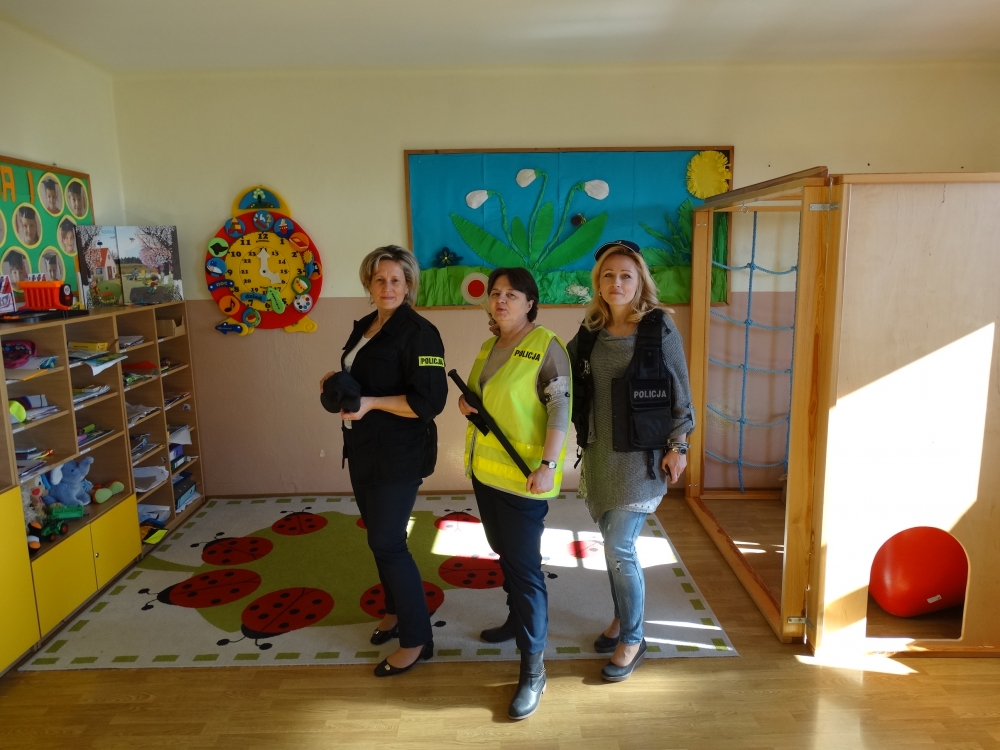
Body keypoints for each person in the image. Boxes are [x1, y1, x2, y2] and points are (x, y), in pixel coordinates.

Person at [567, 240, 695, 682]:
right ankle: (623, 617)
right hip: (600, 454)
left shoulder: (659, 328)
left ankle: (633, 639)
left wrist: (679, 447)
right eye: (608, 275)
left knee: (620, 547)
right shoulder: (590, 331)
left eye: (626, 275)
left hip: (642, 458)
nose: (616, 283)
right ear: (597, 283)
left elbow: (681, 394)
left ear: (640, 281)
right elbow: (560, 373)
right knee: (611, 545)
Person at [319, 245, 447, 677]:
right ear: (368, 284)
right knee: (378, 538)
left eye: (396, 280)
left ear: (409, 285)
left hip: (399, 454)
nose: (387, 287)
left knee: (389, 542)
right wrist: (337, 381)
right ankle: (393, 612)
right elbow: (363, 377)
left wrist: (372, 402)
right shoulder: (366, 326)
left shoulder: (420, 333)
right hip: (362, 448)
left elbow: (429, 402)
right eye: (379, 280)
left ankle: (417, 638)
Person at [458, 267, 571, 721]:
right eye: (495, 293)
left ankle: (533, 669)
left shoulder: (547, 346)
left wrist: (548, 466)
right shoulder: (490, 346)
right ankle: (514, 619)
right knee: (503, 552)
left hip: (526, 480)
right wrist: (467, 404)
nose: (501, 300)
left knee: (525, 571)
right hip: (487, 475)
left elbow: (560, 409)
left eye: (512, 294)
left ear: (530, 302)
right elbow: (483, 401)